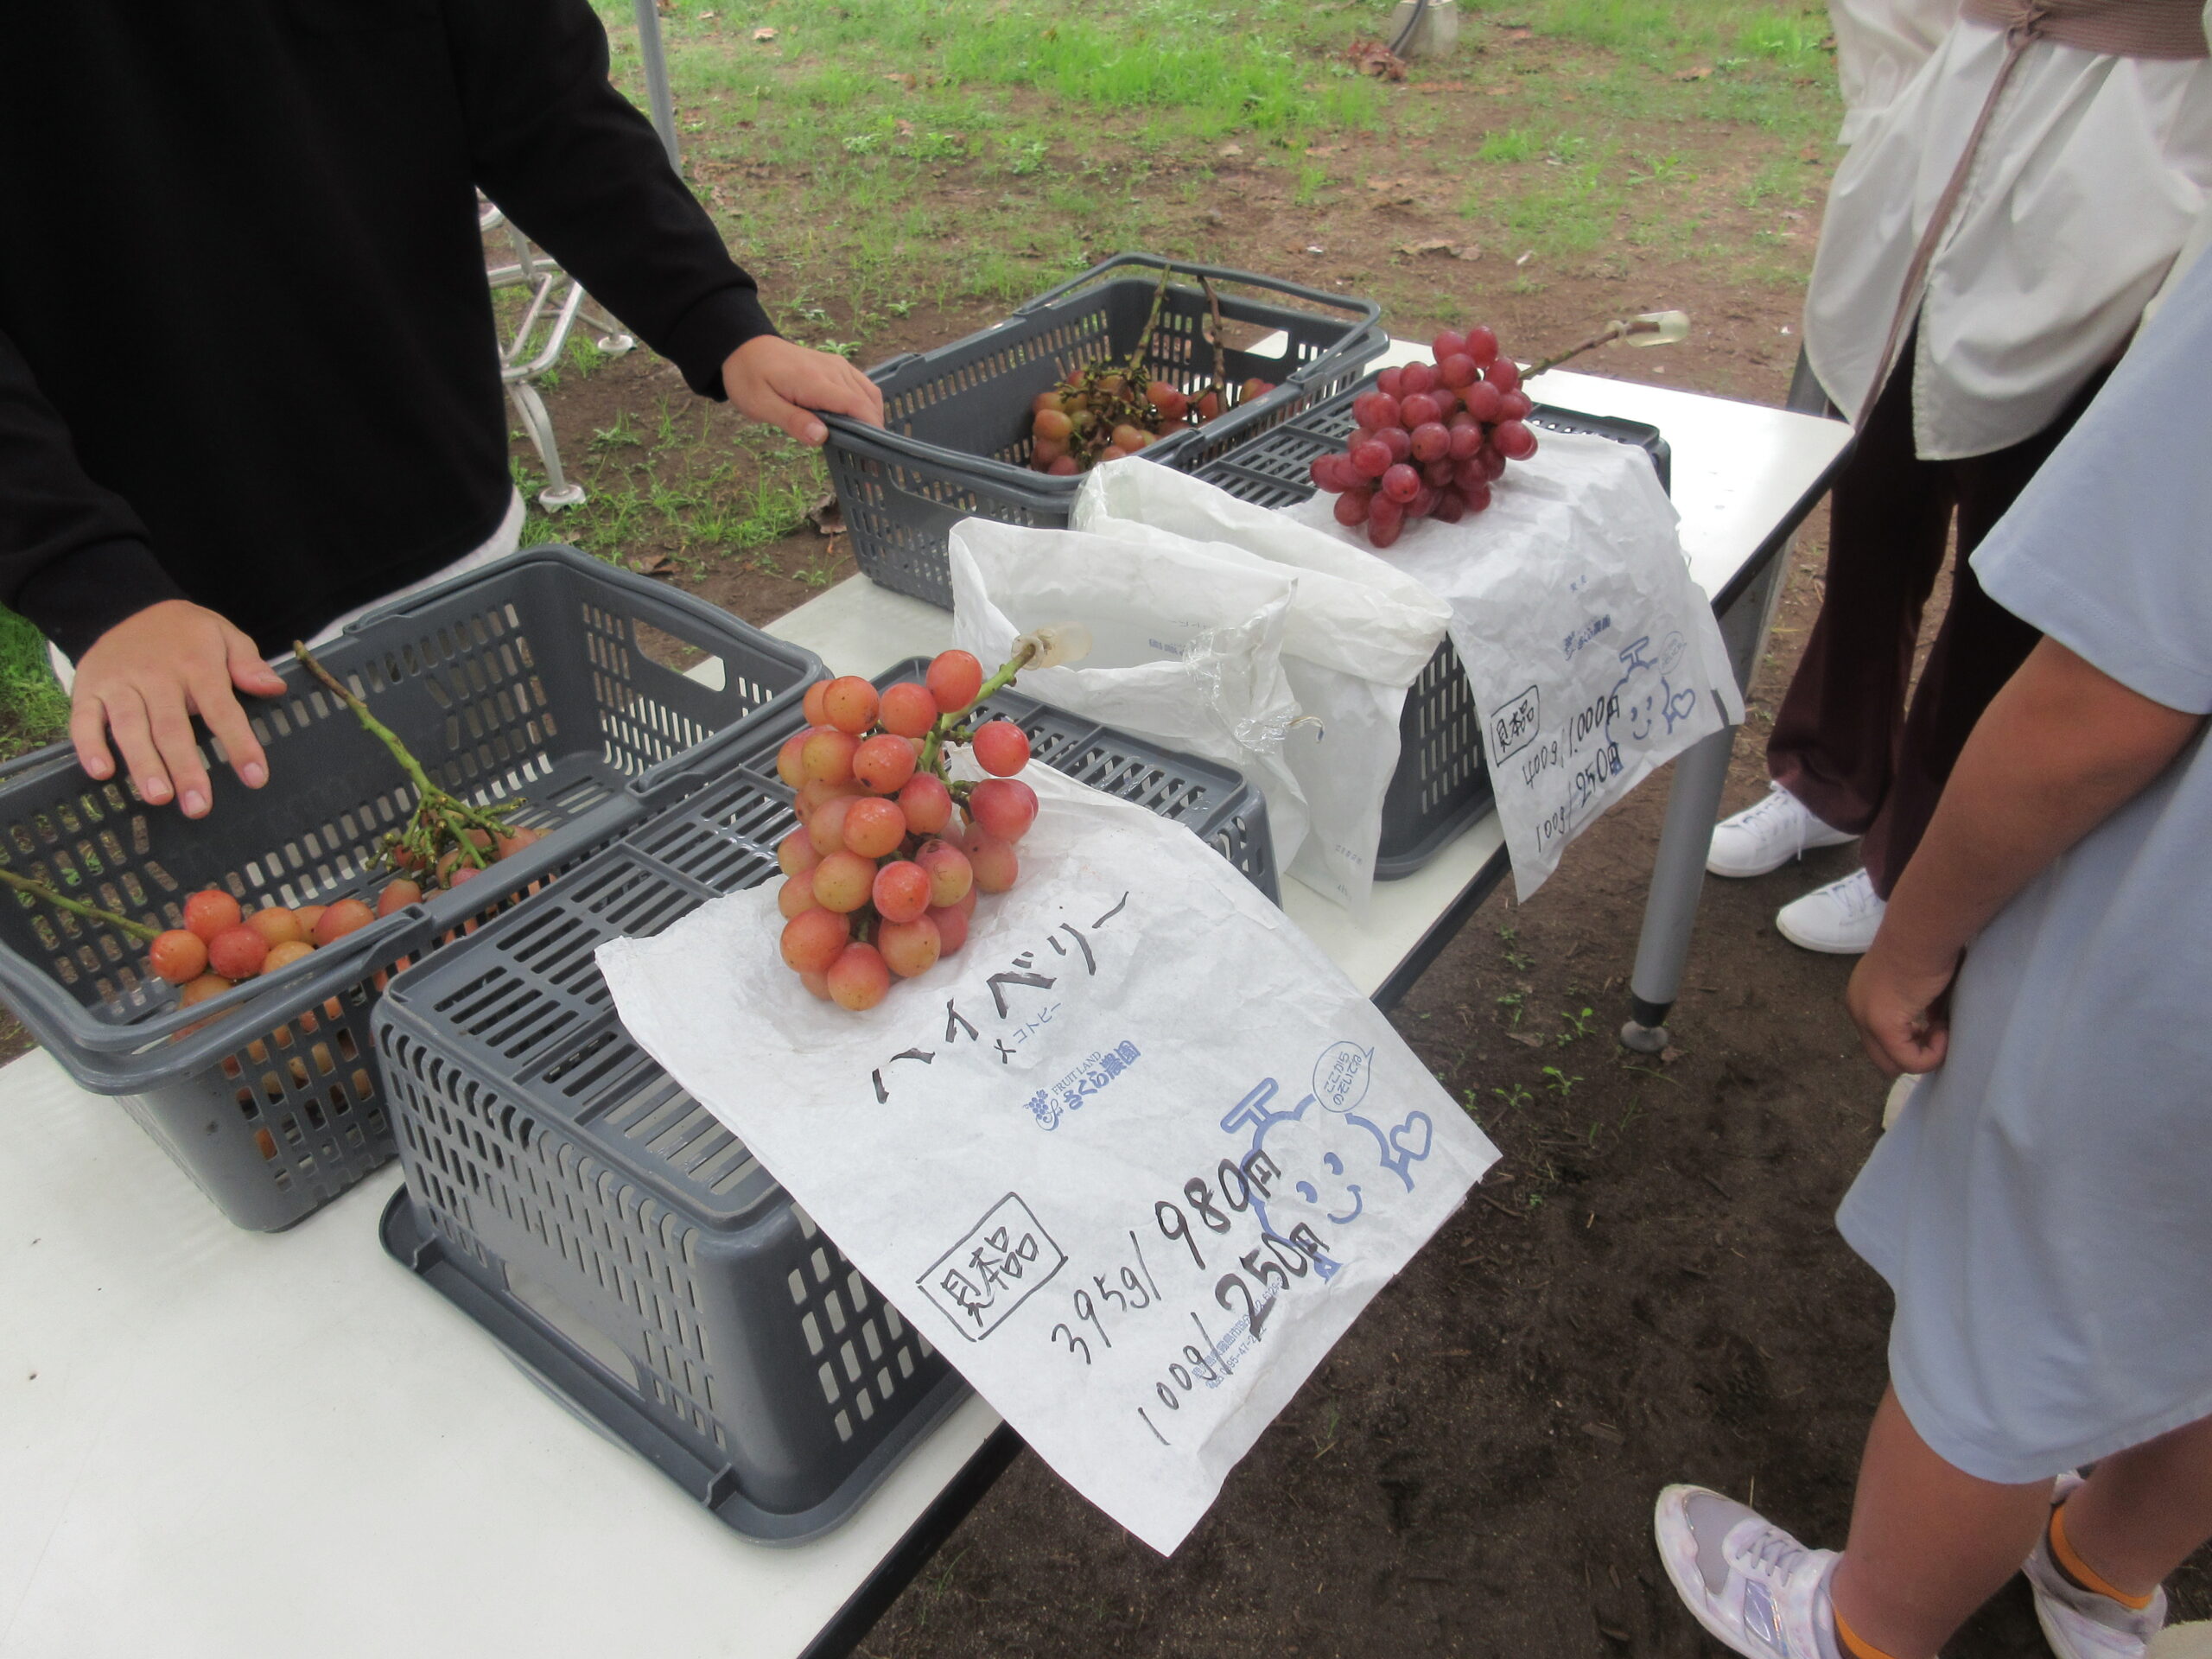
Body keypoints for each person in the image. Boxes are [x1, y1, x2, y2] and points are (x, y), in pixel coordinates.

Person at [1653, 230, 2212, 1659]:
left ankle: (1863, 1628)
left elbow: (2106, 699)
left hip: (2176, 988)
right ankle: (2098, 1573)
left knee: (2012, 1320)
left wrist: (1916, 940)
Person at [0, 2, 880, 818]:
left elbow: (545, 105)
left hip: (446, 530)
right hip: (173, 624)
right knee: (287, 919)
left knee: (508, 857)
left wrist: (717, 322)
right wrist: (94, 586)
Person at [1703, 0, 2212, 954]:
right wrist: (1888, 115)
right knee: (1876, 495)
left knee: (2014, 563)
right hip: (1944, 153)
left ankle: (1922, 849)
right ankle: (1830, 773)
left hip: (2121, 189)